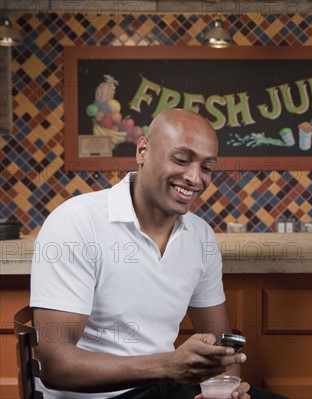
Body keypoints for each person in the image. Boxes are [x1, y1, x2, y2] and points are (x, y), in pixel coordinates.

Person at [30, 109, 264, 399]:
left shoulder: (201, 236)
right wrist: (167, 365)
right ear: (142, 150)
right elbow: (55, 366)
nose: (194, 178)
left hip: (165, 389)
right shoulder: (77, 222)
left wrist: (223, 390)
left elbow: (222, 352)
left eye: (206, 168)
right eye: (181, 159)